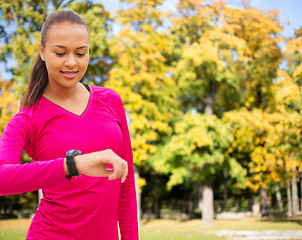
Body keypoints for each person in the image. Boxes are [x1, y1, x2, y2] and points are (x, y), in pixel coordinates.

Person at [0, 9, 138, 240]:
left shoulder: (110, 101)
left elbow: (126, 184)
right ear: (43, 52)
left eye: (80, 53)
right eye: (60, 53)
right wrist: (72, 165)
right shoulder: (27, 119)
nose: (71, 62)